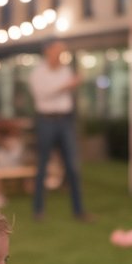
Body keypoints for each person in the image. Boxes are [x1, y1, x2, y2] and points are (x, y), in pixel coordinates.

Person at [28, 39, 88, 221]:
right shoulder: (38, 73)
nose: (61, 56)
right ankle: (38, 210)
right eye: (58, 52)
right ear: (48, 52)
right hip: (46, 121)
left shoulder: (65, 70)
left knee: (73, 166)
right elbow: (42, 94)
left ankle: (79, 211)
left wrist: (68, 86)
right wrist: (65, 86)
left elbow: (65, 94)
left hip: (65, 120)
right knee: (42, 165)